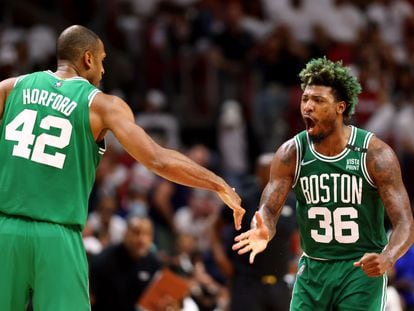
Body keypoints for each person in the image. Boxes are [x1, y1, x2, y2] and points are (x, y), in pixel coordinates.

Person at [0, 24, 245, 311]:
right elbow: (157, 159)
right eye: (103, 60)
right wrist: (217, 183)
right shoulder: (102, 106)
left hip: (6, 231)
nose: (103, 71)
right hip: (58, 236)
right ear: (88, 59)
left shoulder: (10, 87)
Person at [232, 57, 414, 310]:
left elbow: (405, 222)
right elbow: (269, 210)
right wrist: (263, 229)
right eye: (305, 99)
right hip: (312, 270)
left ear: (341, 107)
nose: (308, 106)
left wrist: (388, 257)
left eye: (318, 101)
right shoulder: (291, 153)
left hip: (360, 271)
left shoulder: (374, 154)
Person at [212, 153, 299, 311]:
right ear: (258, 173)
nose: (273, 175)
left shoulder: (292, 201)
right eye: (268, 171)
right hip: (247, 282)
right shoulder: (243, 200)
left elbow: (298, 234)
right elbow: (216, 226)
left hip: (280, 282)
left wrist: (297, 258)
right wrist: (219, 255)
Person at [89, 215, 161, 311]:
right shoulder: (103, 262)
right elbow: (91, 299)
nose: (142, 239)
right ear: (125, 234)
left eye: (147, 234)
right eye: (136, 233)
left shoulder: (154, 263)